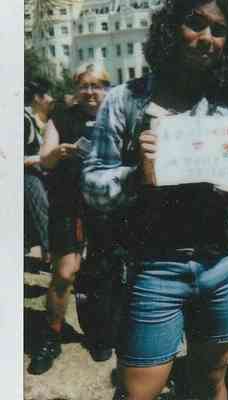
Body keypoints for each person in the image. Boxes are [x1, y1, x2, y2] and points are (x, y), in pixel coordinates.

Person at [81, 1, 228, 399]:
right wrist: (137, 177)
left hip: (220, 264)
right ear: (170, 28)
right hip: (153, 268)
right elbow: (92, 187)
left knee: (211, 380)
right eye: (194, 23)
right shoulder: (125, 100)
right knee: (139, 392)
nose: (206, 38)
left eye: (218, 31)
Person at [28, 64, 111, 375]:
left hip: (105, 205)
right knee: (65, 272)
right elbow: (45, 158)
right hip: (68, 203)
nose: (91, 91)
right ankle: (51, 336)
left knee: (102, 271)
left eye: (98, 85)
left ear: (107, 88)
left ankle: (99, 333)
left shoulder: (115, 116)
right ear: (77, 89)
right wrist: (58, 152)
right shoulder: (61, 117)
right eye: (85, 85)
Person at [24, 78, 54, 262]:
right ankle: (50, 252)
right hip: (26, 177)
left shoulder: (31, 120)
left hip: (34, 173)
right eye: (48, 94)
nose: (51, 98)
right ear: (37, 98)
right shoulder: (23, 121)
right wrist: (40, 159)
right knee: (42, 206)